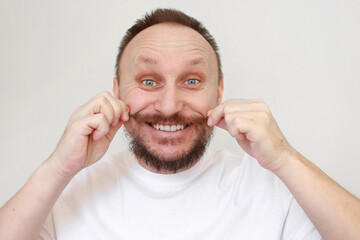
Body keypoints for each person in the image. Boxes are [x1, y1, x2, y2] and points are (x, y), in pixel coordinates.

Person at [0, 8, 359, 240]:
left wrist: (284, 158)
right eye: (148, 81)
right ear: (116, 91)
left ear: (218, 92)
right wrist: (59, 167)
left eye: (191, 81)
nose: (169, 106)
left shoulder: (273, 187)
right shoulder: (64, 192)